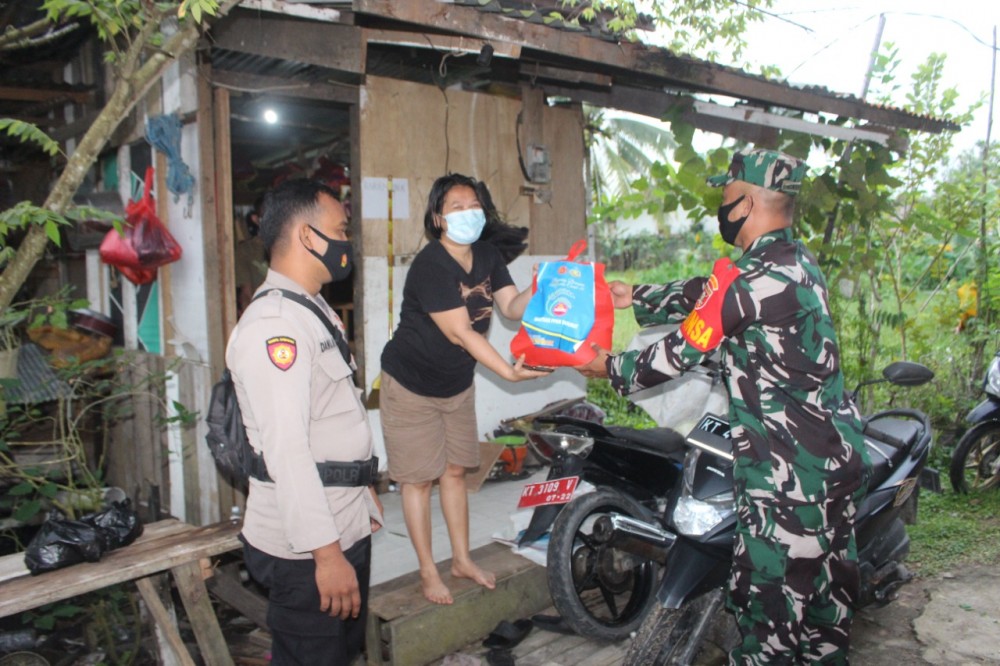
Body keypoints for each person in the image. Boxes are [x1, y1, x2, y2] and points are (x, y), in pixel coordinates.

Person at [577, 149, 871, 664]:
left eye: (727, 196)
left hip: (786, 481)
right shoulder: (793, 260)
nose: (722, 206)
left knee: (770, 621)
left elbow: (681, 349)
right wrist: (635, 296)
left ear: (749, 202)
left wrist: (610, 368)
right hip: (832, 467)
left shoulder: (756, 281)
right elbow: (709, 292)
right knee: (825, 616)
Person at [227, 179, 383, 665]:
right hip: (308, 550)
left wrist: (362, 489)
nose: (347, 242)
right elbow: (288, 450)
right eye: (340, 229)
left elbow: (333, 416)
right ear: (308, 237)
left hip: (343, 519)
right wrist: (326, 555)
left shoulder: (311, 308)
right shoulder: (275, 326)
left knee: (340, 652)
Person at [379, 173, 548, 605]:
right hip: (411, 384)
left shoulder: (489, 254)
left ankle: (460, 560)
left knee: (455, 472)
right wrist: (508, 373)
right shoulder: (431, 264)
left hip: (456, 383)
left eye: (474, 204)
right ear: (437, 218)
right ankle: (427, 570)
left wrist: (547, 282)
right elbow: (460, 333)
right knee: (417, 482)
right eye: (456, 206)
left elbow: (510, 308)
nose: (467, 212)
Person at [235, 195, 268, 316]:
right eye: (267, 216)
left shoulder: (292, 248)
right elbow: (246, 294)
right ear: (256, 219)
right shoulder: (246, 250)